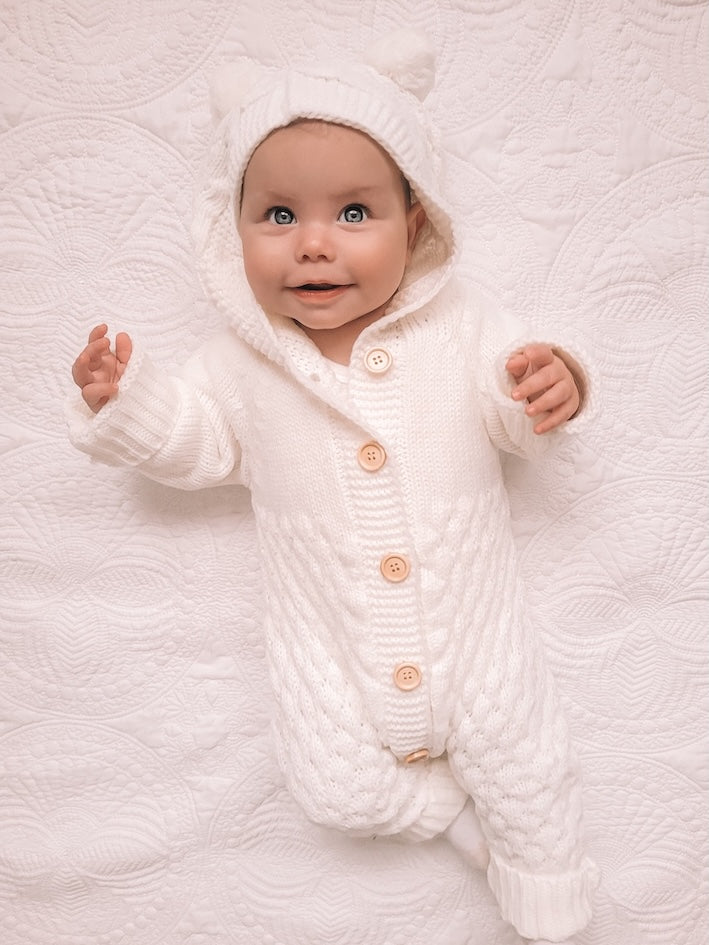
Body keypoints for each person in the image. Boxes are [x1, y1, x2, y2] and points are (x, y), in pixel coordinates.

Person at [67, 30, 599, 943]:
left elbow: (509, 400)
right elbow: (199, 444)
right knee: (333, 783)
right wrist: (133, 402)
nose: (314, 245)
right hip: (326, 634)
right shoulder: (240, 360)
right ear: (230, 231)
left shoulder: (461, 323)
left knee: (524, 761)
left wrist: (551, 387)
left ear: (418, 224)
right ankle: (442, 815)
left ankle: (551, 906)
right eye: (277, 217)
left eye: (354, 213)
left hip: (477, 623)